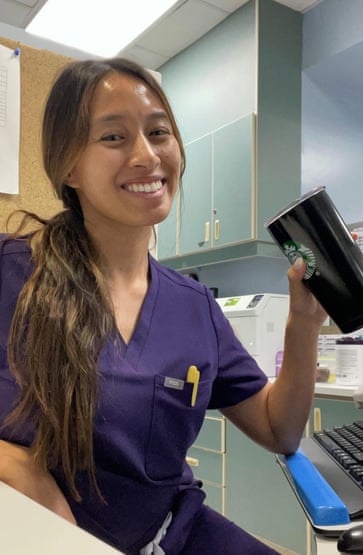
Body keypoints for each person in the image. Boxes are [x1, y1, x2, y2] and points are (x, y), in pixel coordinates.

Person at [0, 57, 327, 555]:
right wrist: (10, 463)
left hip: (171, 534)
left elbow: (278, 429)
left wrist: (304, 322)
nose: (147, 155)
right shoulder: (13, 271)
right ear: (68, 165)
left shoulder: (194, 306)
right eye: (114, 137)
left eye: (159, 132)